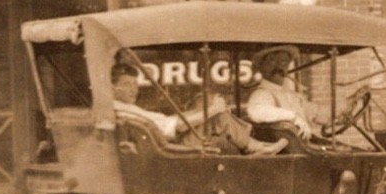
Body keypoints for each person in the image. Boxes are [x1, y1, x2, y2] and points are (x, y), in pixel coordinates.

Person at [110, 63, 286, 155]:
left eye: (134, 84)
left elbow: (171, 123)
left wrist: (203, 109)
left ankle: (252, 144)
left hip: (169, 141)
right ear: (112, 88)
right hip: (175, 148)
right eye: (126, 84)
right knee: (219, 116)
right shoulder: (127, 111)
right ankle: (254, 146)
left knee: (203, 101)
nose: (134, 89)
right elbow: (178, 127)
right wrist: (213, 110)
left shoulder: (123, 108)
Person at [246, 45, 364, 141]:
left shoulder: (291, 95)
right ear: (261, 66)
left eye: (283, 62)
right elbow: (256, 111)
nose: (278, 66)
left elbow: (317, 113)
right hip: (289, 155)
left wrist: (347, 104)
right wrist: (294, 118)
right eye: (272, 61)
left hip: (303, 149)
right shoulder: (262, 94)